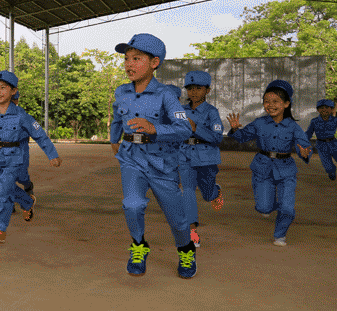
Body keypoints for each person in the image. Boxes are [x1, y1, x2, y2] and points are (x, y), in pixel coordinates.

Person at [109, 34, 195, 278]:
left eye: (136, 58)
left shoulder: (165, 95)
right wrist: (114, 140)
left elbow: (184, 128)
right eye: (126, 59)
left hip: (161, 162)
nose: (129, 64)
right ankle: (139, 245)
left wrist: (155, 128)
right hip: (131, 158)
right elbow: (117, 118)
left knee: (177, 219)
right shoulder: (121, 92)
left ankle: (186, 249)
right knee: (132, 205)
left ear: (154, 62)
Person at [0, 71, 61, 244]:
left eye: (3, 88)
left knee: (2, 191)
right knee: (9, 189)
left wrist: (52, 155)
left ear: (13, 91)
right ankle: (27, 202)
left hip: (14, 158)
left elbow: (39, 135)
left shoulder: (22, 115)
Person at [227, 80, 312, 246]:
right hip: (262, 168)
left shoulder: (293, 127)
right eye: (266, 101)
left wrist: (304, 152)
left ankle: (280, 235)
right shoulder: (259, 123)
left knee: (287, 208)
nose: (270, 105)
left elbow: (304, 146)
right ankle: (270, 205)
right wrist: (236, 129)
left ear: (286, 104)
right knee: (263, 208)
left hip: (286, 170)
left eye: (275, 101)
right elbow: (242, 138)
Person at [177, 71, 225, 248]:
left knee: (206, 194)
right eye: (190, 88)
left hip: (206, 158)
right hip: (185, 155)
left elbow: (217, 137)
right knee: (187, 190)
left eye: (198, 88)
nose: (194, 92)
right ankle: (192, 233)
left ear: (208, 90)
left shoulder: (212, 112)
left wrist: (196, 127)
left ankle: (215, 192)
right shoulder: (181, 111)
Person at [305, 99, 337, 181]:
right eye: (321, 108)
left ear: (332, 109)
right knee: (327, 163)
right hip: (321, 145)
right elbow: (309, 133)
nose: (324, 110)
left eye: (327, 107)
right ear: (318, 110)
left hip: (334, 143)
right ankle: (331, 171)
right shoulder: (314, 121)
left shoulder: (335, 120)